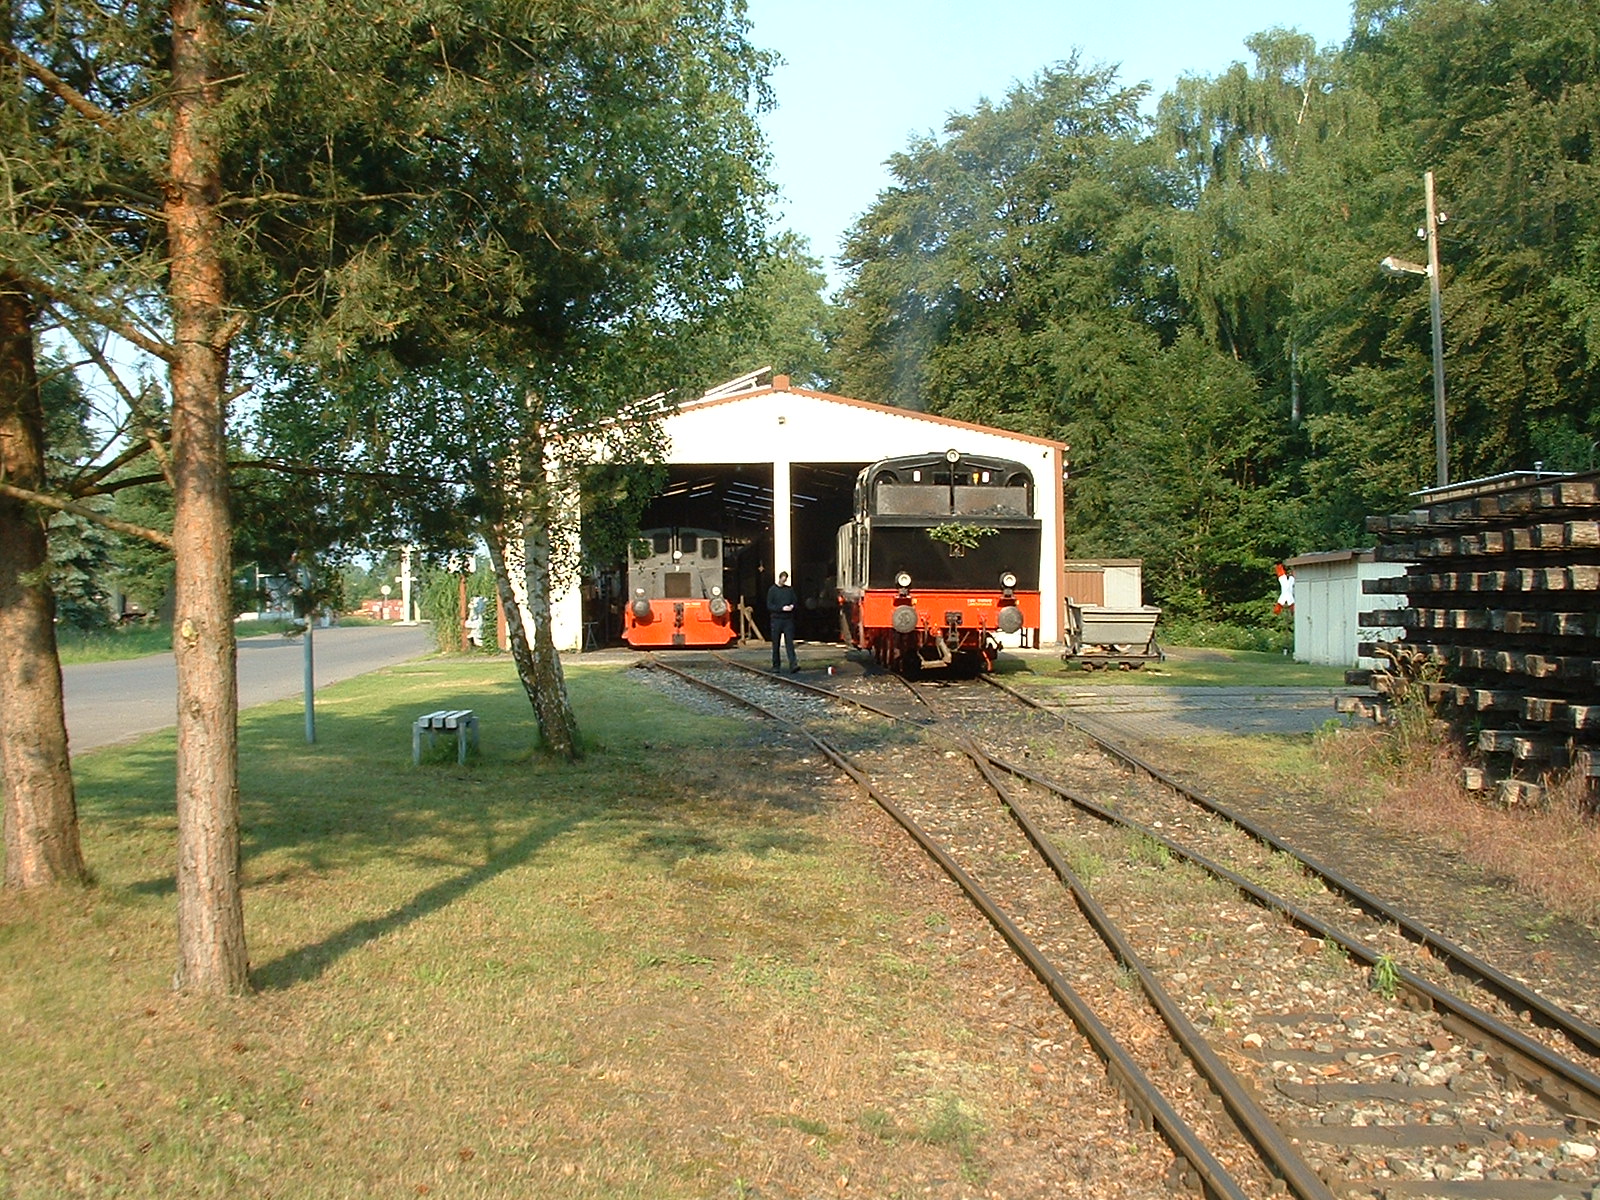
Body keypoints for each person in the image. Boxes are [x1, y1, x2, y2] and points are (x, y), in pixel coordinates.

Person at [767, 571, 799, 673]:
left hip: (788, 620)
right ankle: (776, 665)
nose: (784, 581)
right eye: (783, 579)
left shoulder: (789, 590)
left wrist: (792, 606)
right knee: (775, 644)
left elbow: (795, 601)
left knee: (789, 643)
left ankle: (793, 664)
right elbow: (769, 605)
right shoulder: (772, 590)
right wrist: (781, 608)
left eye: (785, 579)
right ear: (780, 578)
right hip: (776, 619)